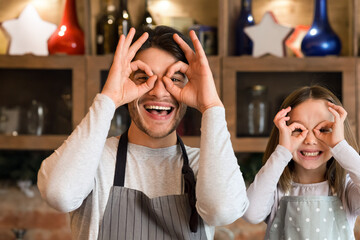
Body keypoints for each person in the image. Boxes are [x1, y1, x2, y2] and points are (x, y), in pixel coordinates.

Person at [37, 25, 249, 240]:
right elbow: (59, 195)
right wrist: (109, 98)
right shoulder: (94, 161)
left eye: (174, 79)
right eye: (143, 77)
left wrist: (211, 106)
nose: (159, 91)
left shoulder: (203, 166)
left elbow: (223, 211)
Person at [243, 85, 360, 239]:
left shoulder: (345, 187)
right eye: (298, 129)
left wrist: (340, 146)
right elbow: (251, 214)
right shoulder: (274, 188)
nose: (310, 140)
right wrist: (283, 152)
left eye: (323, 129)